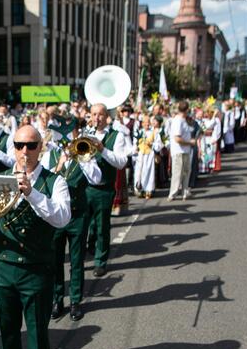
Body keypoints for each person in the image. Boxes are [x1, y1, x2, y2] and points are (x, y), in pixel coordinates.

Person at [0, 125, 71, 349]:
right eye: (19, 145)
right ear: (13, 148)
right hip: (5, 267)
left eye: (31, 146)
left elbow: (61, 218)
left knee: (36, 330)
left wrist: (32, 193)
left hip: (36, 269)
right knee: (8, 330)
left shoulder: (54, 182)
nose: (25, 151)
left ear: (40, 149)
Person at [41, 123, 101, 321]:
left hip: (78, 215)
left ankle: (75, 301)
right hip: (57, 216)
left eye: (71, 134)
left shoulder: (84, 155)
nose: (67, 139)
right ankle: (57, 299)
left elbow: (96, 178)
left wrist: (81, 158)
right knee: (55, 261)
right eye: (64, 136)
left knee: (77, 261)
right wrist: (60, 164)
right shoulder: (50, 155)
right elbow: (43, 183)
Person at [85, 103, 127, 277]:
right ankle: (90, 246)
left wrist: (102, 149)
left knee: (102, 226)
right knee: (87, 224)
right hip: (86, 187)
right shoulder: (86, 134)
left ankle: (100, 261)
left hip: (104, 188)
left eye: (100, 115)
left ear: (106, 116)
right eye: (94, 114)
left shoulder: (117, 136)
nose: (97, 118)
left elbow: (121, 162)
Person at [168, 101, 195, 201]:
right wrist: (190, 142)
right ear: (187, 110)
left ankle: (184, 192)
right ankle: (173, 194)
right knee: (177, 173)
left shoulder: (184, 120)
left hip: (185, 150)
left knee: (186, 171)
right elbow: (177, 139)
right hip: (178, 151)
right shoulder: (178, 120)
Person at [133, 115, 162, 199]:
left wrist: (152, 144)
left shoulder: (154, 133)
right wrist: (135, 150)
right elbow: (135, 144)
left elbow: (159, 145)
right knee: (139, 172)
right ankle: (139, 189)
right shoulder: (138, 132)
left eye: (148, 122)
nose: (147, 124)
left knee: (148, 173)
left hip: (149, 155)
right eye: (145, 122)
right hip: (140, 155)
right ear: (142, 124)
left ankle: (148, 190)